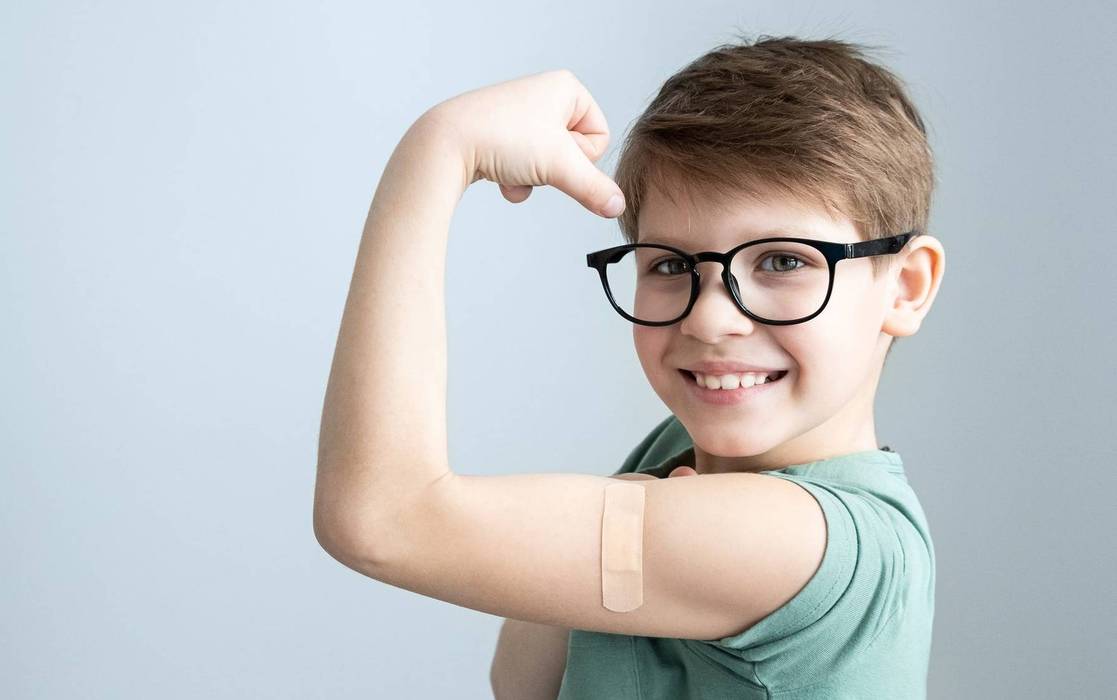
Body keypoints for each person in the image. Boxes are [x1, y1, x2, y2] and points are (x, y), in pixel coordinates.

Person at [314, 34, 945, 699]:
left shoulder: (798, 542)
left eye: (782, 261)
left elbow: (382, 520)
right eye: (670, 265)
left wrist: (439, 150)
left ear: (905, 287)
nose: (708, 318)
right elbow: (521, 681)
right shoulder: (684, 451)